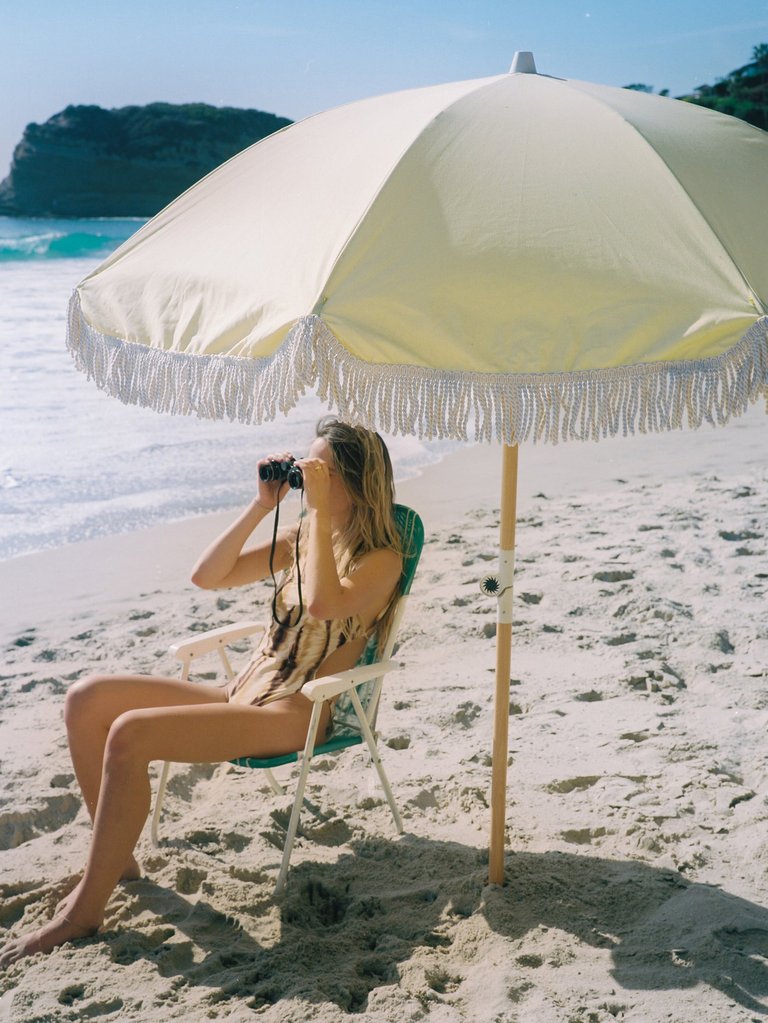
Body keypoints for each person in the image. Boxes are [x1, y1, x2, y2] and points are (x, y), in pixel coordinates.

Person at [0, 417, 402, 967]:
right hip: (243, 691)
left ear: (354, 482)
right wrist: (264, 504)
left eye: (320, 473)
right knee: (86, 700)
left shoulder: (383, 560)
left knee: (130, 734)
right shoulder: (303, 537)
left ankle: (85, 911)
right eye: (307, 472)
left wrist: (316, 512)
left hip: (294, 712)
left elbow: (322, 606)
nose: (309, 483)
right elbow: (207, 576)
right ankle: (117, 863)